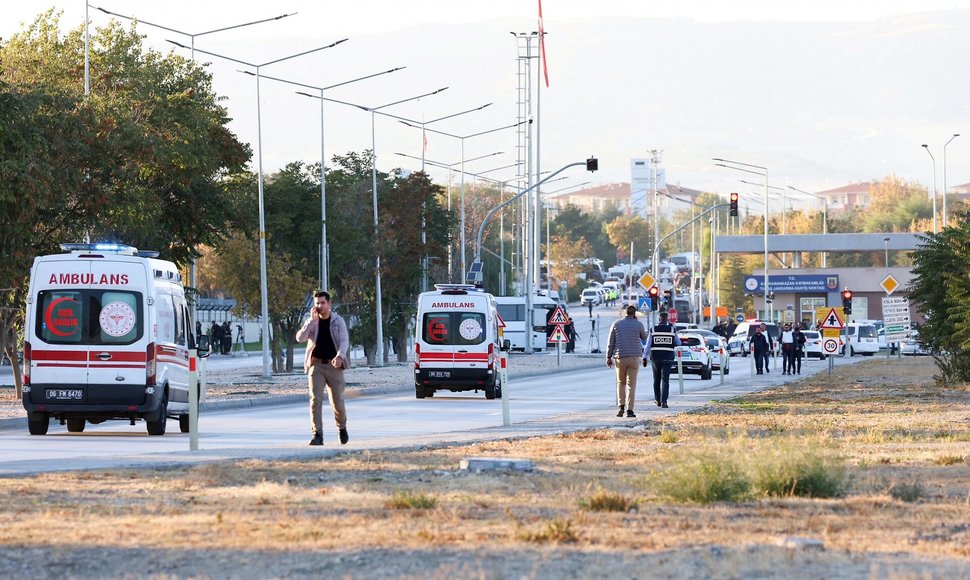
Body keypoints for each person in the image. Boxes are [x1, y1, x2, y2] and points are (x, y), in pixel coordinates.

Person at [296, 290, 351, 446]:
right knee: (315, 400)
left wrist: (340, 356)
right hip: (316, 365)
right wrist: (310, 322)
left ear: (329, 303)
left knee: (337, 402)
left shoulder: (338, 321)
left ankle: (342, 428)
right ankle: (317, 434)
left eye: (322, 303)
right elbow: (300, 338)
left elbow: (344, 341)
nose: (320, 306)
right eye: (317, 303)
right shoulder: (312, 321)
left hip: (334, 365)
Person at [606, 305, 649, 418]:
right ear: (634, 314)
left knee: (621, 383)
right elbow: (644, 337)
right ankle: (630, 411)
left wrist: (608, 357)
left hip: (620, 357)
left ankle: (621, 407)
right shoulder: (638, 324)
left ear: (625, 313)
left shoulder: (616, 324)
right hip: (635, 357)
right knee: (631, 384)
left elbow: (611, 342)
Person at [646, 310, 678, 408]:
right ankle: (664, 401)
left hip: (656, 358)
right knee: (665, 380)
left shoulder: (653, 330)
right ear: (667, 320)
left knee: (656, 379)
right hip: (668, 357)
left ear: (659, 319)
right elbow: (679, 343)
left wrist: (644, 357)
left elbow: (648, 345)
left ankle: (657, 400)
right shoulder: (672, 330)